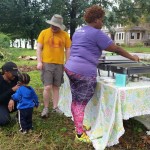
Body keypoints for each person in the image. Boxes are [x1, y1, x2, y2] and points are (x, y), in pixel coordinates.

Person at [64, 5, 140, 143]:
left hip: (70, 68)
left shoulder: (78, 31)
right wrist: (132, 57)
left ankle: (78, 126)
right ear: (96, 19)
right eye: (102, 19)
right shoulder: (96, 33)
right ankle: (80, 134)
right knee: (80, 103)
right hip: (83, 72)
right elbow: (115, 48)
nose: (103, 22)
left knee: (76, 99)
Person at [36, 14, 71, 117]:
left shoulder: (65, 35)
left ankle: (55, 107)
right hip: (47, 63)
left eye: (56, 26)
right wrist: (39, 61)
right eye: (52, 25)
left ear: (60, 26)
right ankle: (46, 108)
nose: (54, 27)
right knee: (47, 87)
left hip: (59, 64)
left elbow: (68, 49)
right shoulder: (44, 32)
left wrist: (67, 62)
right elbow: (39, 48)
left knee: (56, 87)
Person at [0, 61, 20, 126]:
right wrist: (12, 90)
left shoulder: (16, 78)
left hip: (13, 101)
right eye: (13, 73)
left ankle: (20, 115)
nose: (15, 75)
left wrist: (12, 98)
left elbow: (21, 90)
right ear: (6, 72)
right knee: (4, 121)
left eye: (16, 73)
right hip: (1, 104)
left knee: (27, 98)